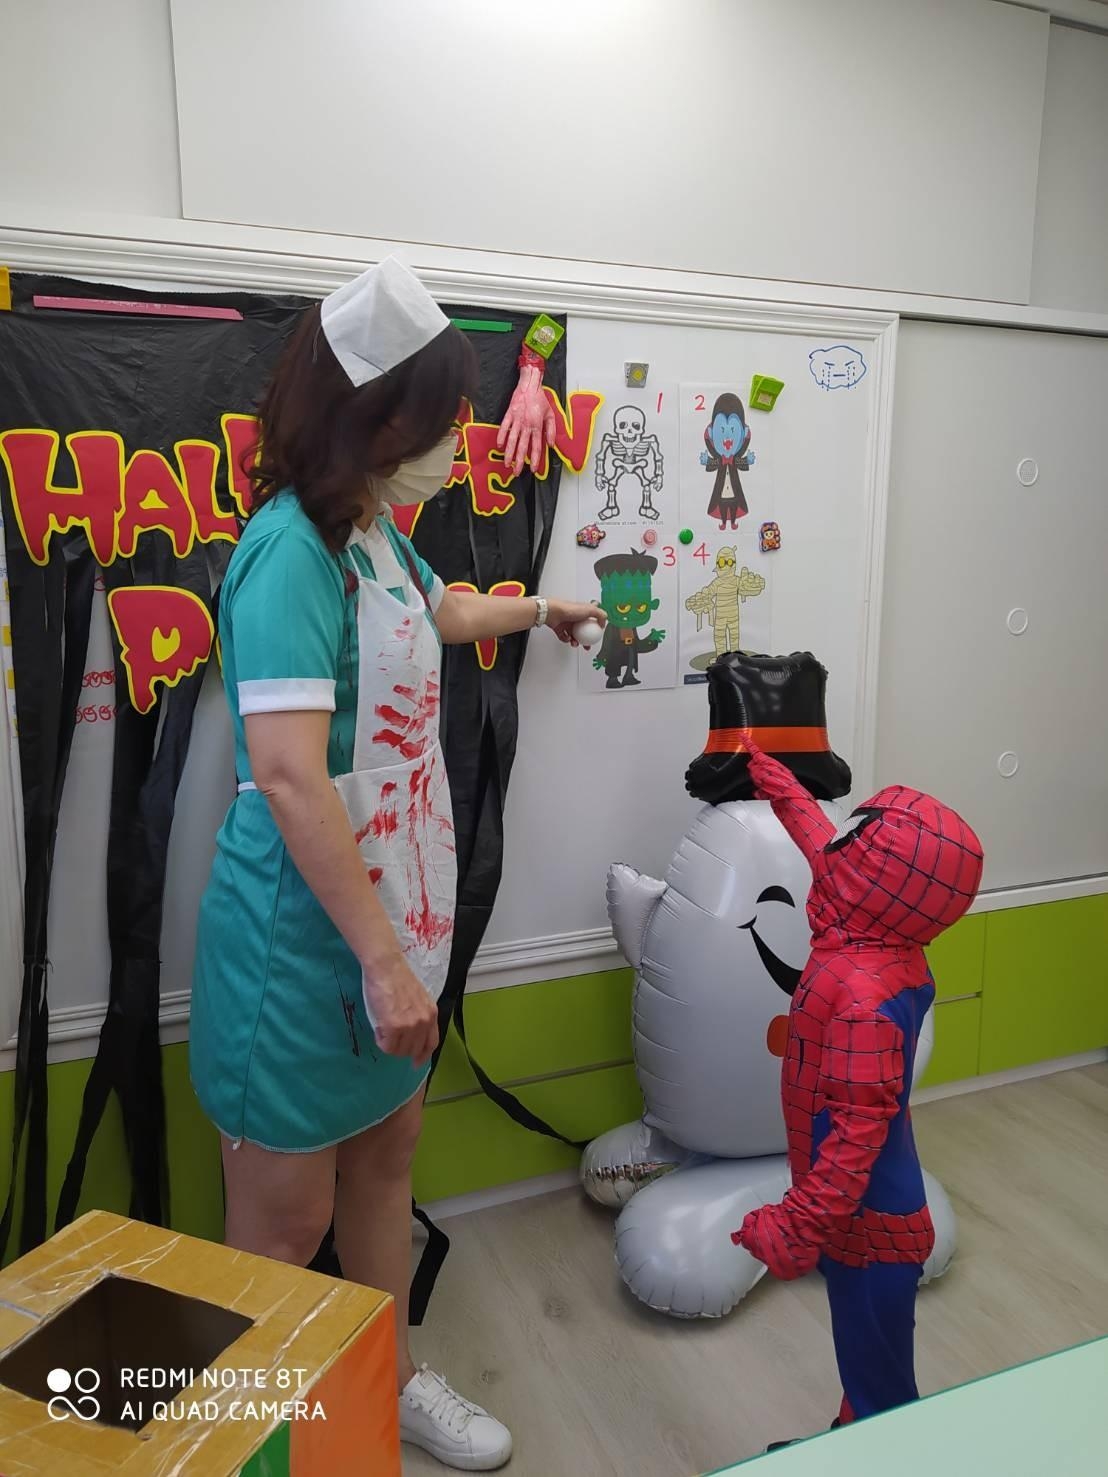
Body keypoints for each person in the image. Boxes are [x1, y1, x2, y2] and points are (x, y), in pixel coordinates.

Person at [189, 258, 604, 1472]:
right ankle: (263, 1445)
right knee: (286, 1227)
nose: (457, 437)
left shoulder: (373, 533)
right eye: (442, 415)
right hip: (302, 952)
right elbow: (288, 774)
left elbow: (445, 613)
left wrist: (543, 608)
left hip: (396, 921)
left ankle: (386, 1381)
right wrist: (381, 964)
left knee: (385, 1169)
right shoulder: (288, 553)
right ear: (375, 418)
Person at [730, 736, 983, 1437]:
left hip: (869, 1225)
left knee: (881, 1389)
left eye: (857, 838)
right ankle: (854, 1431)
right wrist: (768, 771)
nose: (836, 843)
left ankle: (869, 1445)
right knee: (867, 1368)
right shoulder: (873, 923)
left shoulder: (864, 998)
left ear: (876, 876)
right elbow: (822, 838)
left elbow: (856, 1135)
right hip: (860, 1216)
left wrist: (797, 1225)